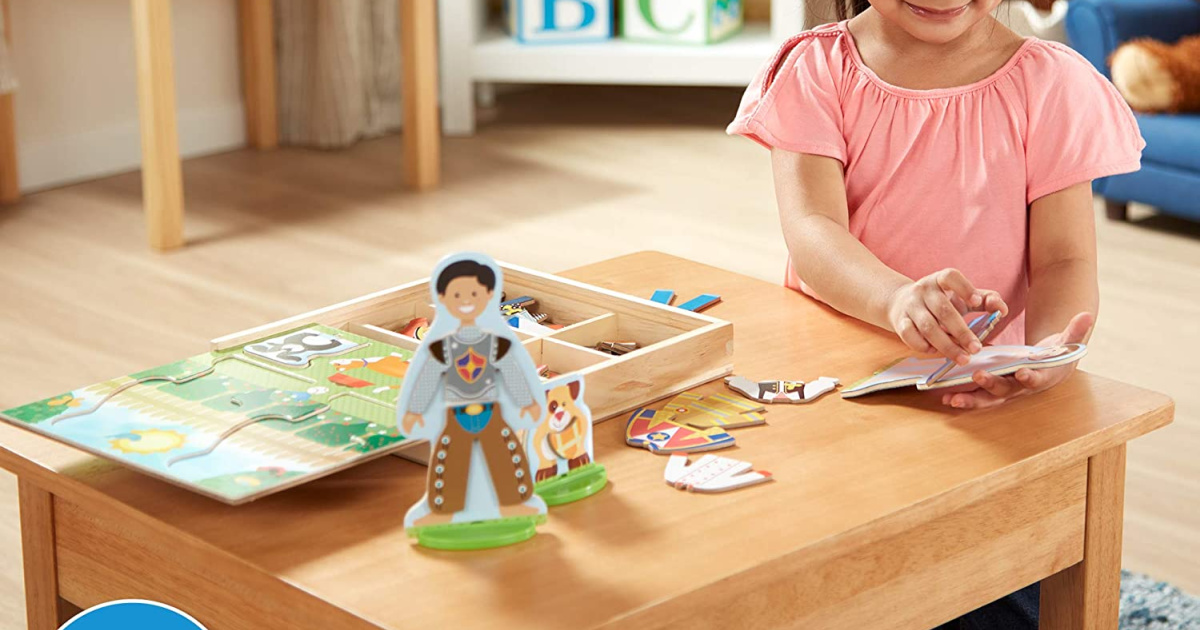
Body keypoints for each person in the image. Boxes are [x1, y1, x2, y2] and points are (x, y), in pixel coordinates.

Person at [728, 0, 1143, 412]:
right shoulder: (816, 67)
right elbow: (812, 228)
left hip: (978, 377)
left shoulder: (1053, 83)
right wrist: (895, 299)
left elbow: (1064, 259)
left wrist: (1049, 352)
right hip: (833, 372)